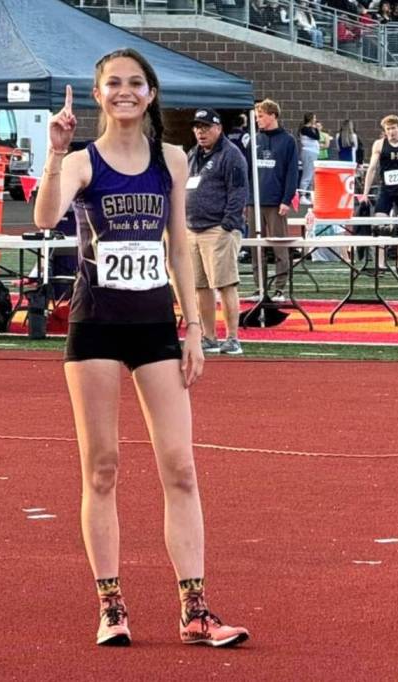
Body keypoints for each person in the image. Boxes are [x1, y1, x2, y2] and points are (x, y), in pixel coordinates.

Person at [33, 48, 249, 649]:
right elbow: (47, 216)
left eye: (135, 83)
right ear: (98, 94)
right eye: (112, 84)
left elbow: (180, 246)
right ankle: (111, 605)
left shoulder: (172, 159)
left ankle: (196, 610)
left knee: (180, 467)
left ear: (150, 94)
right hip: (96, 324)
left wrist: (195, 327)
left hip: (156, 325)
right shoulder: (80, 162)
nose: (124, 92)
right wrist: (53, 151)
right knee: (102, 469)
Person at [186, 108, 249, 356]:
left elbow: (238, 191)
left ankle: (232, 338)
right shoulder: (193, 154)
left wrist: (227, 224)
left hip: (217, 229)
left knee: (225, 284)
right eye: (197, 127)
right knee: (200, 286)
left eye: (205, 127)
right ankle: (209, 336)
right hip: (193, 227)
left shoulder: (231, 155)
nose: (200, 132)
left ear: (218, 128)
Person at [247, 98, 299, 301]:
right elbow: (248, 171)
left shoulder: (287, 141)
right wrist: (247, 200)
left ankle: (279, 288)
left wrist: (286, 199)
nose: (258, 120)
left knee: (280, 246)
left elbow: (292, 172)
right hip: (255, 201)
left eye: (260, 116)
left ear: (272, 116)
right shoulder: (254, 139)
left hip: (276, 201)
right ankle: (260, 288)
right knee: (255, 246)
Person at [363, 115, 398, 276]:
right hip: (386, 189)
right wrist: (365, 192)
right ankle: (381, 264)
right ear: (384, 130)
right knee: (380, 224)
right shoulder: (379, 145)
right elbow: (372, 168)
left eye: (393, 128)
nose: (391, 132)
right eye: (388, 129)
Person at [298, 112, 321, 192]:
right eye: (314, 118)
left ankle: (309, 194)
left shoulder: (310, 129)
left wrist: (315, 128)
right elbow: (317, 137)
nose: (315, 120)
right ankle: (302, 195)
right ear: (310, 119)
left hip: (313, 153)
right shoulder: (305, 129)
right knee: (307, 175)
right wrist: (317, 129)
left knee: (312, 176)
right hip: (308, 153)